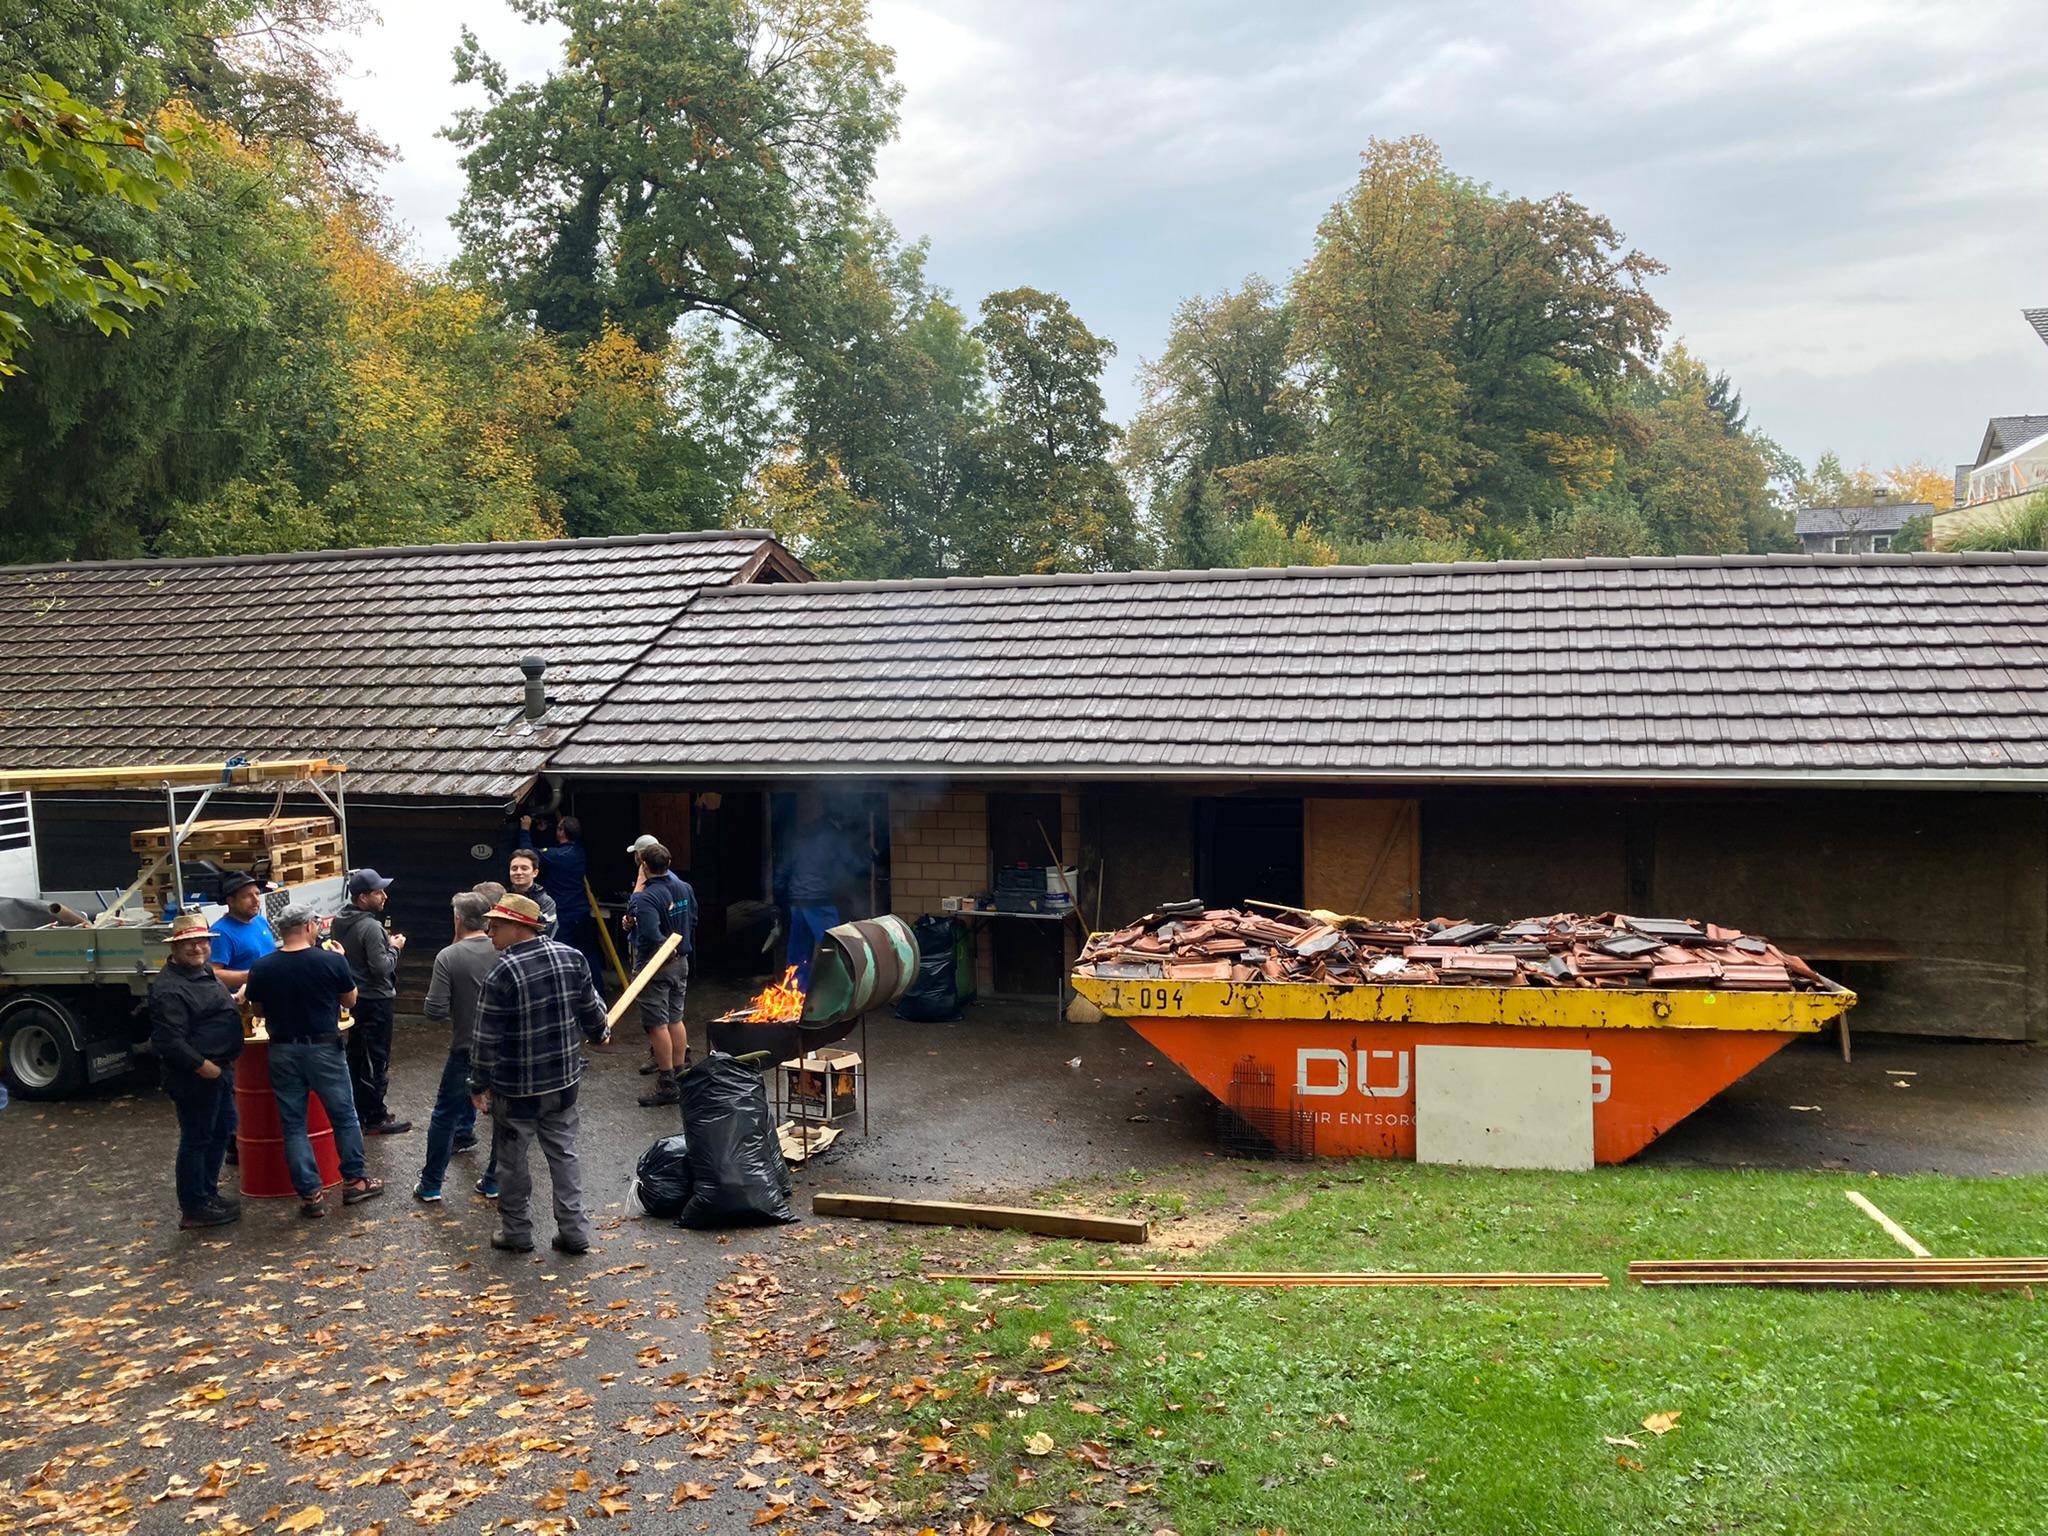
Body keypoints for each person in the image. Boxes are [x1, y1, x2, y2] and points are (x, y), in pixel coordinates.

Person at [469, 893, 609, 1255]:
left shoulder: (501, 972)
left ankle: (516, 1233)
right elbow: (592, 1010)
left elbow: (485, 1039)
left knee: (512, 1163)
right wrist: (599, 1033)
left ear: (519, 927)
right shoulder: (572, 957)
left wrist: (478, 1084)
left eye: (496, 925)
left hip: (517, 1091)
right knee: (564, 1155)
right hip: (563, 1083)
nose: (489, 932)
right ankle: (574, 1232)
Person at [245, 906, 384, 1218]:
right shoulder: (331, 961)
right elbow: (349, 1000)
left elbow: (258, 1010)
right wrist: (342, 962)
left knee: (293, 1124)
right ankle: (355, 1181)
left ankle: (310, 1196)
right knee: (344, 1116)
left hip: (282, 1050)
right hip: (323, 1048)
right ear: (309, 926)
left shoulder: (262, 966)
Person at [148, 913, 243, 1229]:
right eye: (189, 943)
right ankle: (194, 1206)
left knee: (220, 1132)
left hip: (220, 1070)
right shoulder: (169, 989)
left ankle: (208, 1193)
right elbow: (169, 1041)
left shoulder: (204, 972)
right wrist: (204, 1068)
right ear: (175, 947)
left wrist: (236, 999)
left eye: (202, 941)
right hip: (195, 1076)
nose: (197, 948)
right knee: (197, 1139)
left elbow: (212, 1008)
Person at [414, 892, 499, 1202]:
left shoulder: (448, 956)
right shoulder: (504, 950)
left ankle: (431, 1184)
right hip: (504, 1049)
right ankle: (493, 1181)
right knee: (504, 1116)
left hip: (466, 1049)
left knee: (445, 1115)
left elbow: (434, 1010)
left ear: (458, 919)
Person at [332, 868, 410, 1134]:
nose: (385, 896)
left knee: (356, 1056)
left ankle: (362, 1108)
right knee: (377, 1058)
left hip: (353, 998)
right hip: (376, 999)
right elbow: (381, 968)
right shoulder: (371, 926)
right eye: (378, 892)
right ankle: (375, 1117)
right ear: (363, 897)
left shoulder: (339, 920)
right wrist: (394, 947)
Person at [206, 872, 274, 1167]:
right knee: (241, 1077)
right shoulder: (222, 933)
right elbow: (213, 973)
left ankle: (264, 1127)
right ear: (230, 901)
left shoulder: (259, 922)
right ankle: (237, 1140)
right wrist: (250, 976)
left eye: (257, 894)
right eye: (248, 896)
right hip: (238, 1011)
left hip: (266, 1007)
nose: (255, 900)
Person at [626, 842, 696, 1107]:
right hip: (681, 963)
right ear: (669, 863)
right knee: (675, 1018)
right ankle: (682, 1075)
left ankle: (668, 1085)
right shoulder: (684, 888)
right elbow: (693, 919)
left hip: (655, 967)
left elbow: (649, 935)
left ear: (644, 865)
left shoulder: (647, 897)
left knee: (657, 1024)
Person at [779, 796, 863, 989]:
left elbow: (783, 870)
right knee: (833, 949)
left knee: (798, 952)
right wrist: (871, 858)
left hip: (797, 902)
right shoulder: (835, 838)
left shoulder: (804, 836)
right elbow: (851, 864)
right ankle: (840, 991)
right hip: (820, 903)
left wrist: (779, 901)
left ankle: (796, 992)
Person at [517, 814, 603, 988]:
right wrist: (542, 833)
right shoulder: (579, 851)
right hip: (581, 911)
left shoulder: (558, 856)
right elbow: (549, 853)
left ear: (562, 832)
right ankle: (598, 990)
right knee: (589, 953)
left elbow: (528, 855)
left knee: (559, 954)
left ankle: (564, 989)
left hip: (563, 914)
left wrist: (525, 830)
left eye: (558, 828)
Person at [505, 849, 558, 938]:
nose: (518, 872)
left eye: (524, 868)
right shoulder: (502, 897)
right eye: (514, 868)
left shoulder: (546, 902)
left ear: (535, 873)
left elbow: (547, 932)